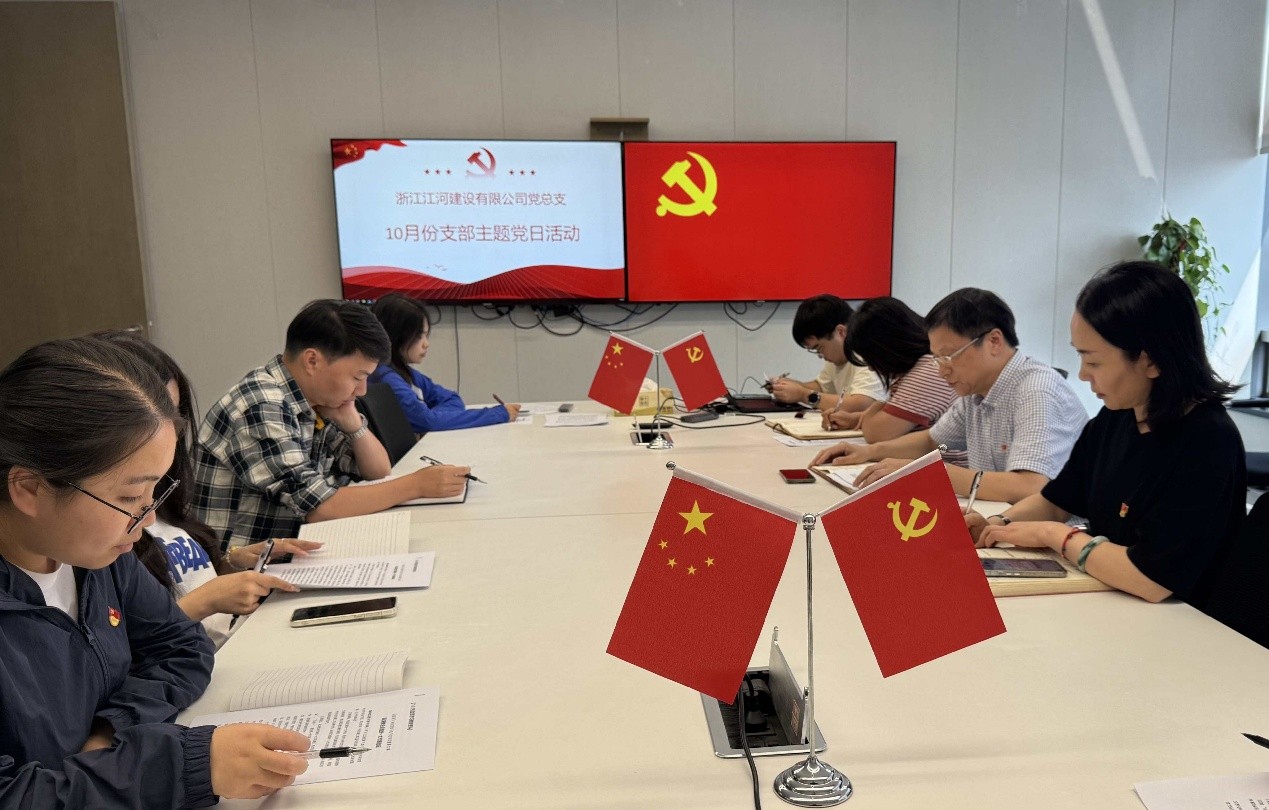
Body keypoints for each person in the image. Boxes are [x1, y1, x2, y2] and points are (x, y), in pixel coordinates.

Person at [0, 336, 310, 806]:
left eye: (153, 494)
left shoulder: (97, 559)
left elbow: (181, 645)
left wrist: (109, 734)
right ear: (30, 488)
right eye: (129, 497)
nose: (147, 521)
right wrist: (182, 765)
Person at [971, 261, 1245, 605]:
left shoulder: (1208, 442)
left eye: (1094, 362)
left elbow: (1151, 580)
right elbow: (1056, 502)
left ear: (1151, 361)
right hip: (1110, 601)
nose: (1083, 375)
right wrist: (997, 525)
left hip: (1180, 620)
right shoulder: (1117, 416)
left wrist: (1054, 535)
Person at [99, 331, 319, 647]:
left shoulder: (163, 494)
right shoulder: (105, 527)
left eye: (174, 415)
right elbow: (125, 645)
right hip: (202, 655)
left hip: (225, 643)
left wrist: (234, 563)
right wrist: (207, 600)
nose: (170, 433)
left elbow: (187, 576)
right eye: (155, 416)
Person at [195, 299, 470, 548]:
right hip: (243, 570)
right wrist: (416, 485)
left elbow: (377, 471)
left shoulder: (316, 400)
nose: (362, 390)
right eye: (357, 377)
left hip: (294, 548)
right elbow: (319, 506)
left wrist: (353, 424)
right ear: (312, 361)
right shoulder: (263, 405)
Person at [811, 288, 1087, 502]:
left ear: (993, 341)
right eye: (936, 358)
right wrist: (868, 452)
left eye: (949, 356)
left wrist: (926, 473)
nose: (942, 370)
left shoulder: (1036, 391)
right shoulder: (975, 392)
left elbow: (1030, 486)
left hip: (1052, 536)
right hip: (998, 519)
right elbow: (932, 440)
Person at [369, 293, 521, 432]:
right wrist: (497, 414)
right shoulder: (386, 378)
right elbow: (427, 421)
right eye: (419, 336)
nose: (426, 344)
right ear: (395, 336)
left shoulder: (405, 372)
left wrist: (434, 417)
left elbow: (451, 399)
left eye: (426, 335)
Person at [824, 296, 957, 442]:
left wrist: (879, 405)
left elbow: (876, 434)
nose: (871, 368)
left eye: (871, 359)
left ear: (886, 349)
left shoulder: (927, 373)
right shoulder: (923, 366)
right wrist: (855, 419)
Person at [769, 294, 886, 421]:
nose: (820, 356)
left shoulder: (866, 353)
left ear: (841, 332)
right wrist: (789, 386)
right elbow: (822, 388)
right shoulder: (838, 355)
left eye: (819, 348)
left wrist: (803, 395)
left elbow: (861, 404)